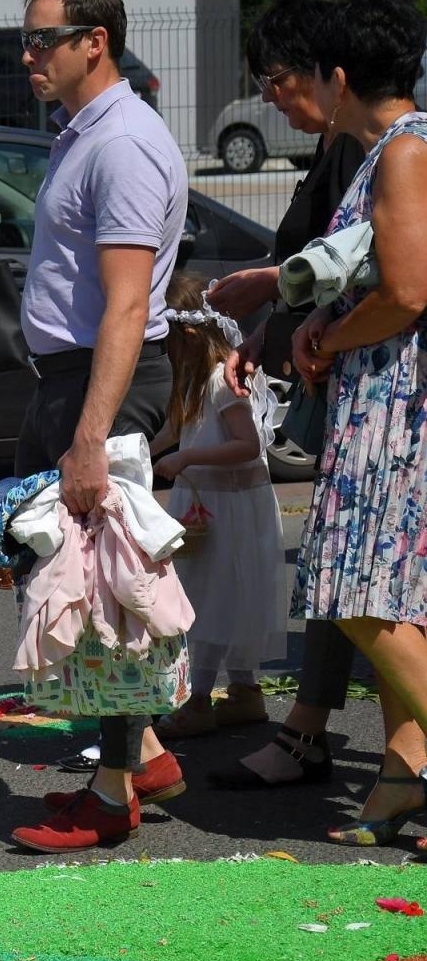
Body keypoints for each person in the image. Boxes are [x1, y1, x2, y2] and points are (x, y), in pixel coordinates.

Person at [5, 0, 189, 854]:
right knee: (74, 575)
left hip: (101, 381)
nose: (29, 55)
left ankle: (113, 793)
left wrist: (89, 439)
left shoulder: (120, 144)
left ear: (95, 43)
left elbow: (123, 305)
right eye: (28, 38)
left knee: (105, 590)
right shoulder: (86, 131)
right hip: (75, 377)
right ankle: (142, 752)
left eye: (44, 39)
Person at [206, 0, 369, 792]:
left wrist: (293, 309)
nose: (269, 96)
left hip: (374, 389)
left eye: (276, 77)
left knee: (361, 579)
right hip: (345, 377)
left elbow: (380, 273)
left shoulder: (383, 145)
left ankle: (344, 741)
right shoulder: (346, 144)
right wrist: (279, 327)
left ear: (329, 71)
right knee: (357, 579)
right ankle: (327, 736)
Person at [287, 0, 427, 849]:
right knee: (391, 597)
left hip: (391, 399)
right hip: (383, 389)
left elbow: (408, 292)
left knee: (358, 595)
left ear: (339, 78)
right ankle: (402, 778)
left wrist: (333, 332)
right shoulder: (398, 147)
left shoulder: (403, 151)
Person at [147, 273, 285, 741]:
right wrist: (137, 454)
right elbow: (172, 431)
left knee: (213, 599)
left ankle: (200, 699)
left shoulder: (223, 384)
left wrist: (187, 457)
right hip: (204, 505)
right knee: (215, 596)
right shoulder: (191, 383)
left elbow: (247, 446)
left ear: (186, 336)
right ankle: (244, 692)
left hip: (231, 509)